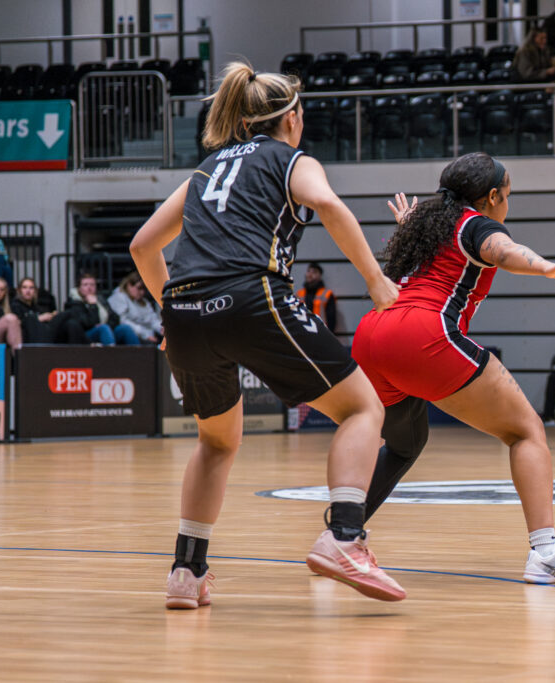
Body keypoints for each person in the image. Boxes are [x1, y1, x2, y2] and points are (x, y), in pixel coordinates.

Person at [129, 61, 407, 608]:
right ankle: (345, 537)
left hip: (185, 309)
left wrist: (169, 312)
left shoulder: (205, 170)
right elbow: (327, 204)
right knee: (363, 408)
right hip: (251, 295)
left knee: (216, 442)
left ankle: (187, 573)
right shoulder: (289, 158)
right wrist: (376, 281)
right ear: (292, 119)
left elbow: (143, 244)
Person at [351, 152, 555, 585]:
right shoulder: (474, 222)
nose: (507, 204)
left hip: (372, 334)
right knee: (526, 431)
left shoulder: (424, 225)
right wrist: (545, 267)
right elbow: (504, 251)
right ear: (491, 197)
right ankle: (545, 554)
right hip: (422, 335)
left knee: (406, 442)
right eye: (507, 196)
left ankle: (343, 534)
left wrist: (406, 225)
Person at [65, 272, 140, 345]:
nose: (89, 288)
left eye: (92, 285)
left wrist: (107, 325)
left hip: (106, 331)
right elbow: (88, 323)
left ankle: (138, 355)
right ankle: (111, 356)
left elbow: (115, 317)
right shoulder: (74, 302)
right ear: (79, 288)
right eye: (85, 285)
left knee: (125, 328)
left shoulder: (100, 299)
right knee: (103, 328)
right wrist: (92, 305)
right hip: (85, 335)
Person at [10, 277, 86, 344]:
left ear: (35, 291)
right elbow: (19, 323)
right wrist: (39, 318)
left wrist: (51, 316)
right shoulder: (15, 305)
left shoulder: (37, 307)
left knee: (71, 324)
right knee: (69, 313)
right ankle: (89, 343)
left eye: (31, 288)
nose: (28, 290)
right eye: (24, 287)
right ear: (19, 290)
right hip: (31, 337)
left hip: (46, 334)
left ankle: (76, 354)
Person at [107, 271, 163, 344]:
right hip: (123, 333)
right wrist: (145, 335)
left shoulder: (144, 302)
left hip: (147, 335)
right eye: (139, 288)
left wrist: (162, 329)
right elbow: (123, 321)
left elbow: (152, 320)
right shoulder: (119, 297)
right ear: (129, 285)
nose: (142, 292)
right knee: (126, 329)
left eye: (144, 289)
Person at [297, 262, 337, 333]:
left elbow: (331, 320)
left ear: (320, 276)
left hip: (321, 334)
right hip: (302, 334)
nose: (310, 274)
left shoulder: (327, 294)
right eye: (308, 271)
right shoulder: (299, 294)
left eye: (314, 272)